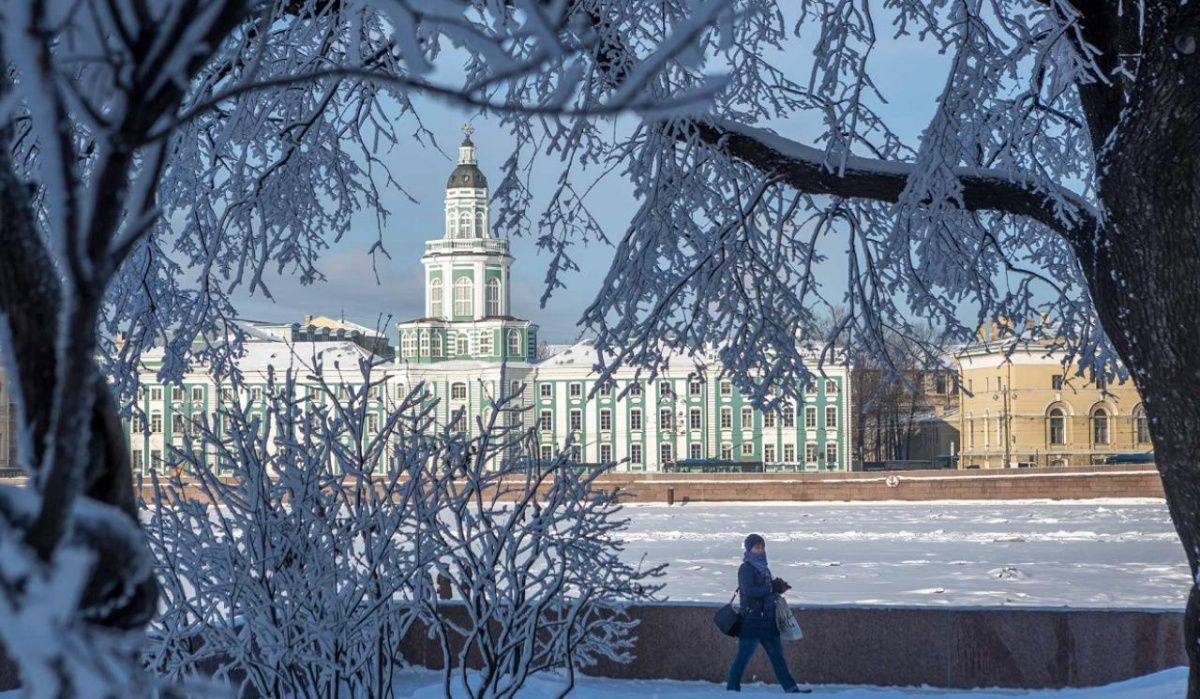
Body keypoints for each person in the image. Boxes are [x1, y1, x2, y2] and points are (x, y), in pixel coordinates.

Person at [726, 533, 810, 693]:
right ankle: (732, 690)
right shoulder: (746, 568)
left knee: (778, 658)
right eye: (756, 547)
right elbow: (749, 591)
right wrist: (771, 587)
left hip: (769, 622)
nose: (760, 550)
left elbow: (766, 592)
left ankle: (791, 688)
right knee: (742, 659)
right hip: (752, 622)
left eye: (762, 547)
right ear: (749, 549)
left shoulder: (764, 568)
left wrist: (779, 587)